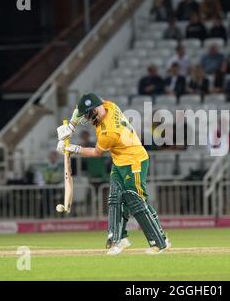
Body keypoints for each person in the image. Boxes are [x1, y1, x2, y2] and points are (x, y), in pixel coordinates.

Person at [56, 94, 170, 255]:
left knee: (136, 201)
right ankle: (118, 239)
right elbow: (79, 108)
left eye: (88, 115)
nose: (87, 119)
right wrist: (71, 127)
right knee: (115, 198)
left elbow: (96, 153)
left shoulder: (108, 131)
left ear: (95, 111)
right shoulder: (108, 105)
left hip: (134, 161)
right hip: (119, 161)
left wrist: (72, 148)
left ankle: (160, 241)